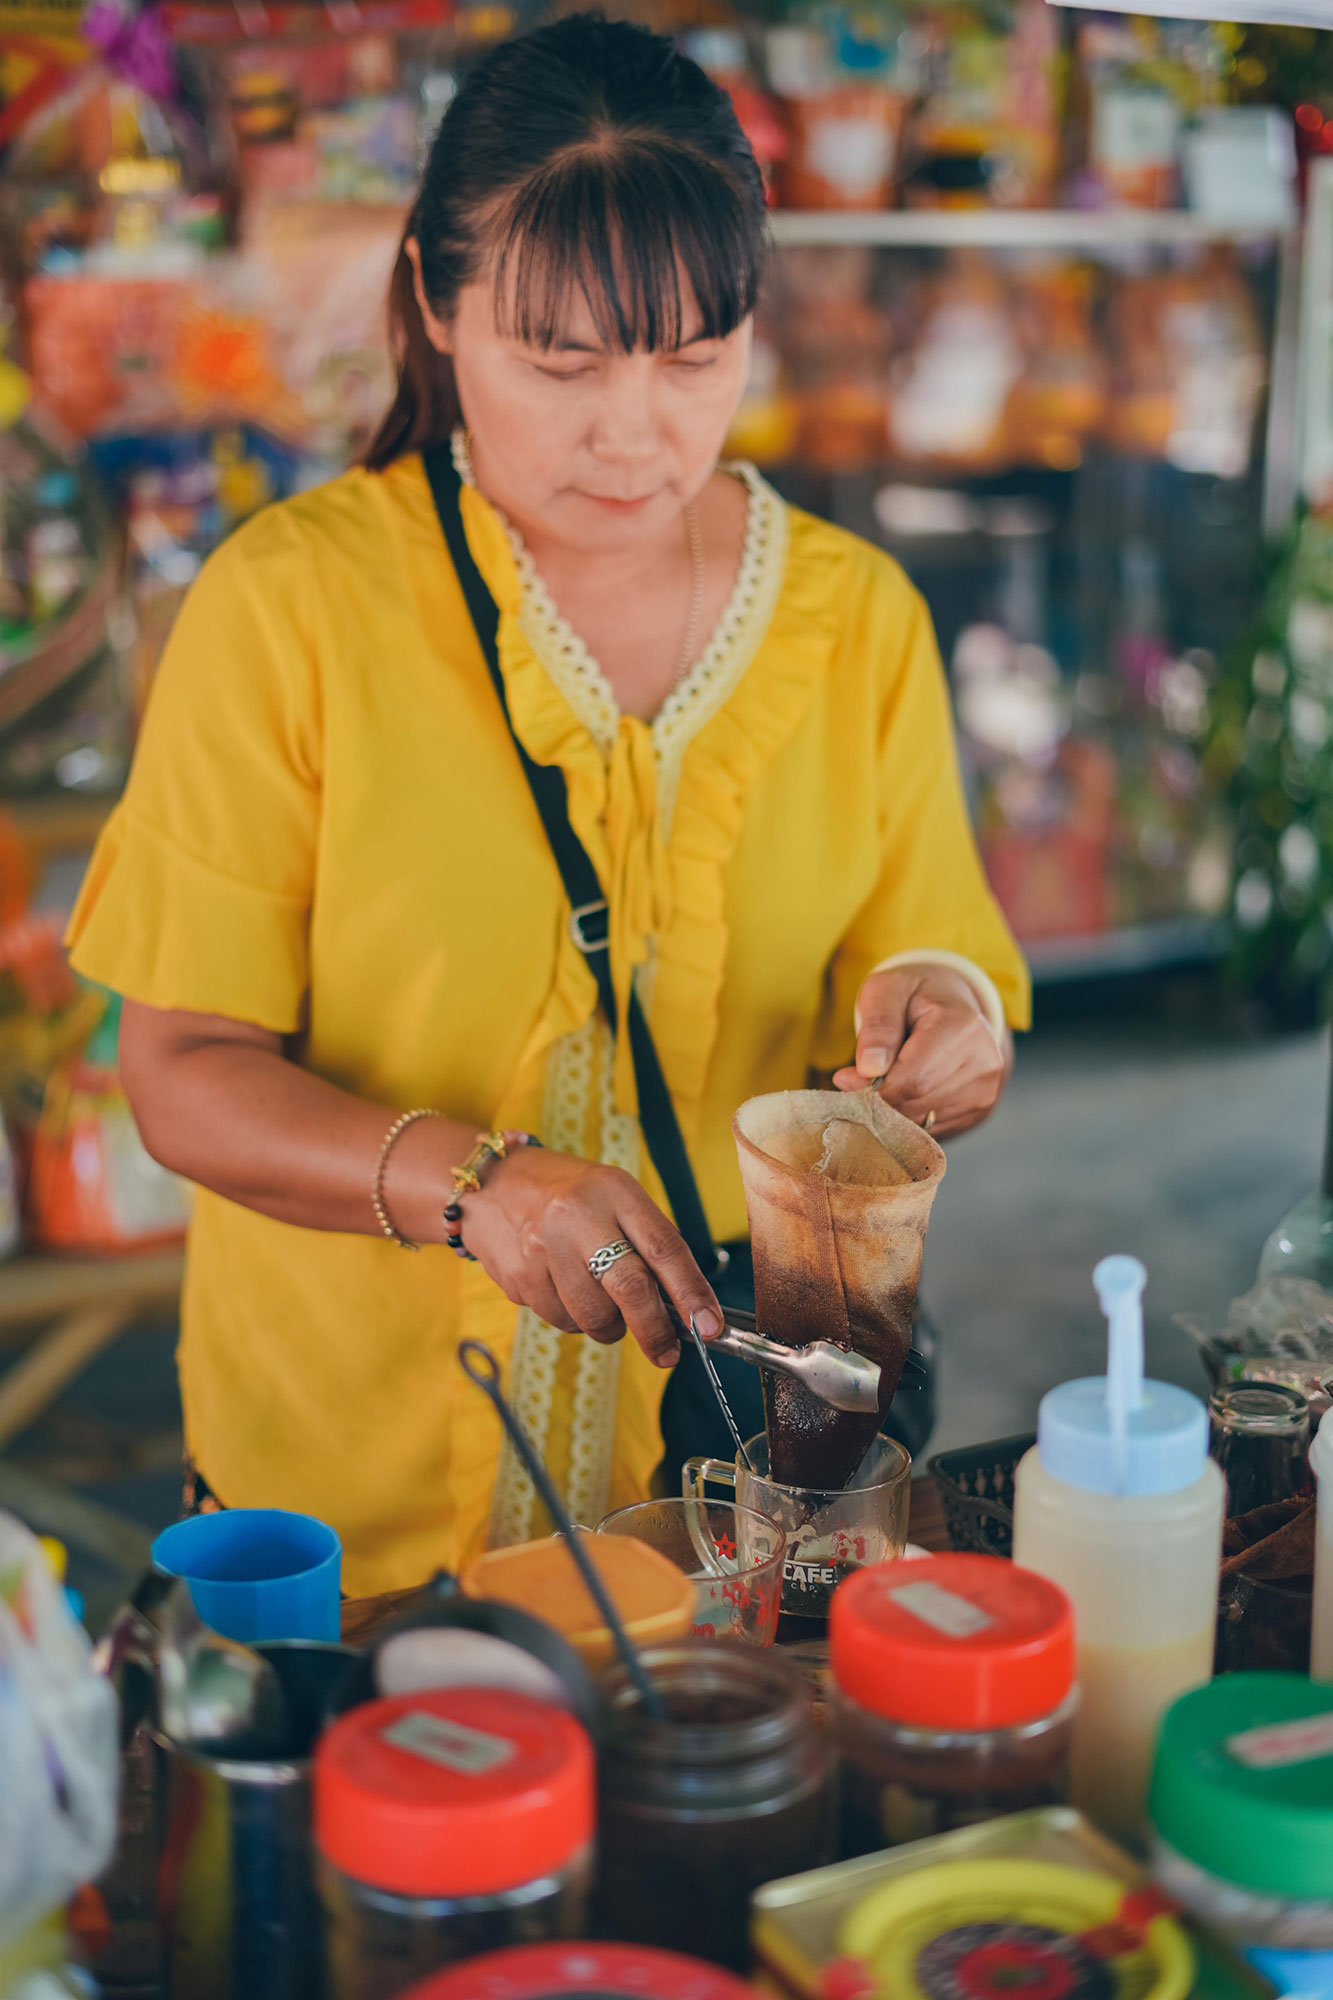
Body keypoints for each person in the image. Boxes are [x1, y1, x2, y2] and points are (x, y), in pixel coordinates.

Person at [67, 13, 1029, 1598]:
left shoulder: (855, 621)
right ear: (438, 308)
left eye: (693, 357)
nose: (634, 432)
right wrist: (472, 1185)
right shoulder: (291, 608)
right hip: (349, 1516)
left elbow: (929, 949)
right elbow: (179, 1071)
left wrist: (948, 1015)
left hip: (729, 1489)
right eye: (561, 360)